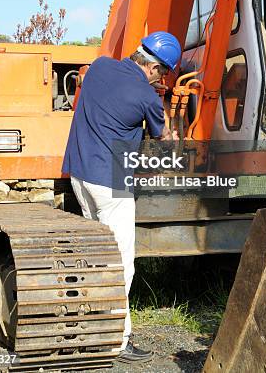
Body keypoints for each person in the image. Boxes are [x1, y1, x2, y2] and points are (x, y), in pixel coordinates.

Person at [62, 31, 182, 364]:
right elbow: (164, 142)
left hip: (79, 172)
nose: (161, 80)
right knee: (122, 263)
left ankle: (91, 324)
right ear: (156, 69)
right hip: (111, 181)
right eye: (164, 74)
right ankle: (117, 340)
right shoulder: (148, 97)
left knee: (98, 254)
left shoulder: (99, 66)